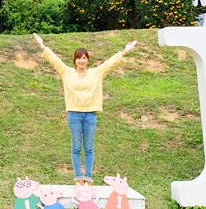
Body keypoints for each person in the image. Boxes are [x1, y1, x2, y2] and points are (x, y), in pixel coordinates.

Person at [31, 34, 137, 185]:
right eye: (78, 58)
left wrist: (125, 51)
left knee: (88, 147)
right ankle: (77, 178)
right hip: (74, 115)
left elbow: (110, 64)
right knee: (75, 147)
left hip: (90, 115)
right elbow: (54, 60)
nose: (81, 60)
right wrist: (42, 45)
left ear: (87, 60)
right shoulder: (67, 72)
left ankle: (88, 178)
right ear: (75, 60)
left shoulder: (96, 73)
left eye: (84, 58)